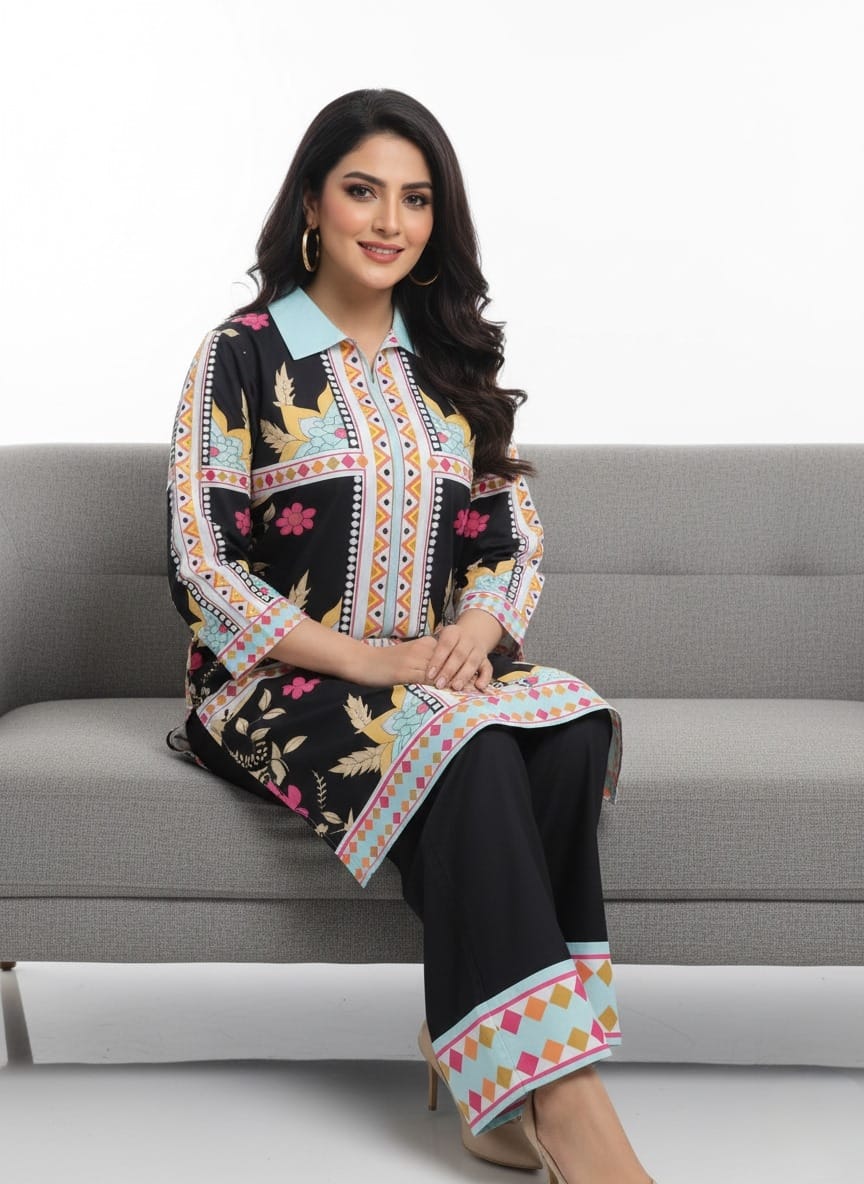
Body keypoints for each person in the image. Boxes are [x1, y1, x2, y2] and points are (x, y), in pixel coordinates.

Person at [165, 88, 656, 1184]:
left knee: (570, 730)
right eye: (363, 190)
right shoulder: (244, 355)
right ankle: (564, 1102)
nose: (390, 221)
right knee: (469, 750)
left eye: (417, 199)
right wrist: (369, 661)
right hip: (273, 682)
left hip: (427, 676)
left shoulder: (448, 363)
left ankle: (482, 1068)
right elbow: (204, 562)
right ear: (311, 204)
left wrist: (477, 629)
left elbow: (508, 542)